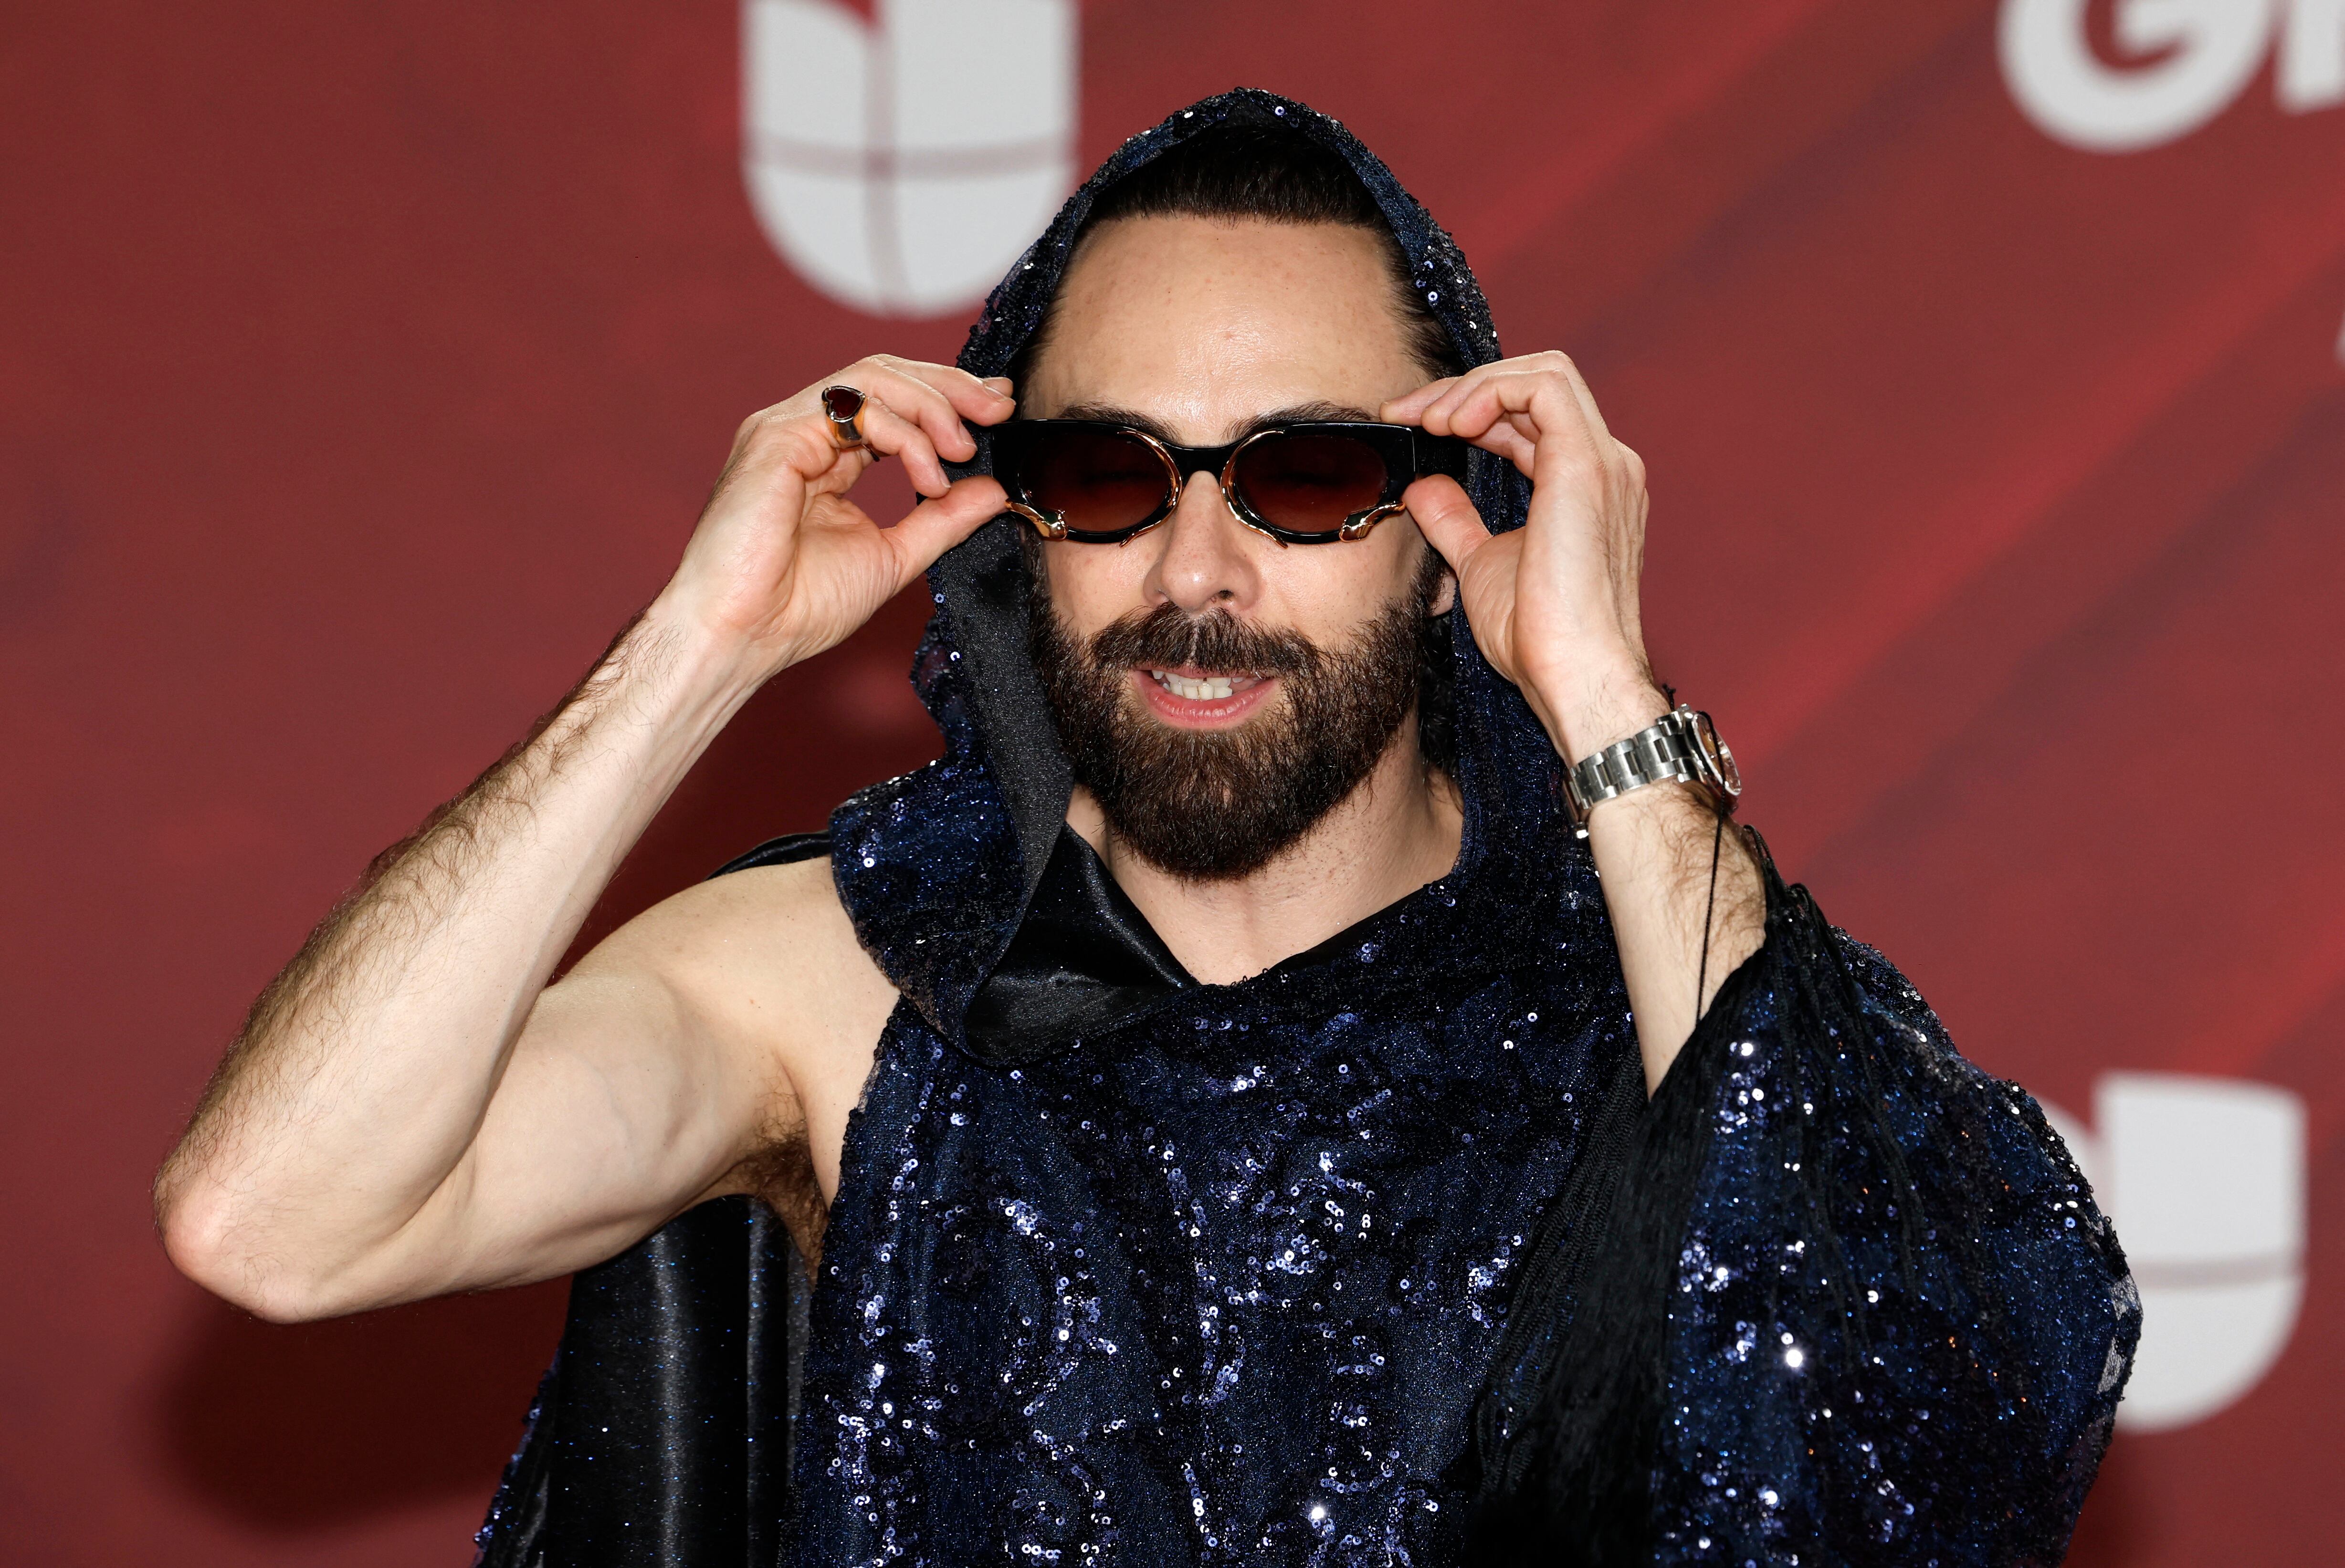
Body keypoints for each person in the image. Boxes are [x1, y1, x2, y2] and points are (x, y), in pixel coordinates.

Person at [156, 91, 2137, 1566]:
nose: (1196, 565)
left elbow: (1937, 1427)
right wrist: (691, 652)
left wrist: (1609, 705)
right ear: (1015, 523)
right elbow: (274, 1223)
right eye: (1106, 471)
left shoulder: (1650, 978)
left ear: (1452, 534)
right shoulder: (844, 985)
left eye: (1307, 473)